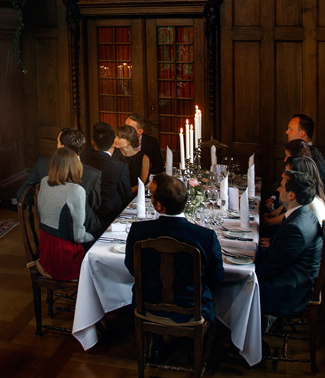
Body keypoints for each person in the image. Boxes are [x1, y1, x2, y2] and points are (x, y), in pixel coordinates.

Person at [124, 174, 224, 322]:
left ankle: (156, 340)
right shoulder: (206, 237)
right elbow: (217, 277)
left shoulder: (139, 231)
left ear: (159, 206)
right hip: (195, 308)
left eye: (151, 196)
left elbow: (132, 268)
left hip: (147, 304)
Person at [256, 169, 324, 316]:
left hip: (289, 291)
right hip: (294, 278)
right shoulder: (303, 212)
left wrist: (246, 270)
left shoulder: (296, 228)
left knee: (235, 283)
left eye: (282, 186)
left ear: (292, 195)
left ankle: (238, 334)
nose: (278, 189)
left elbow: (270, 266)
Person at [35, 146, 94, 280]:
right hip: (64, 257)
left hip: (45, 250)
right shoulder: (76, 190)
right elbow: (79, 237)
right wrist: (92, 237)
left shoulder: (44, 181)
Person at [80, 122, 132, 228]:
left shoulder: (84, 160)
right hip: (112, 215)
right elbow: (127, 194)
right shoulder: (120, 167)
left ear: (93, 142)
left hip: (88, 211)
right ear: (113, 142)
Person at [285, 113, 325, 186]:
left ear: (302, 133)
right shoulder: (298, 150)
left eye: (290, 129)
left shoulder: (310, 156)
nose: (286, 132)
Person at [112, 123, 150, 196]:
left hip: (134, 195)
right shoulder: (113, 153)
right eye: (115, 137)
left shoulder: (143, 158)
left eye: (119, 137)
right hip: (115, 194)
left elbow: (141, 183)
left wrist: (128, 193)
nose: (115, 140)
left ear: (129, 141)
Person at [125, 113, 164, 179]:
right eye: (125, 126)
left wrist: (144, 174)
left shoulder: (151, 142)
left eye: (129, 128)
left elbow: (159, 166)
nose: (125, 130)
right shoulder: (120, 141)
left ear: (140, 131)